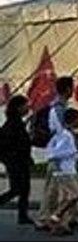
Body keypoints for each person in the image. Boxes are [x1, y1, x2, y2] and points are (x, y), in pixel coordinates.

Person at [35, 75, 74, 231]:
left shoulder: (59, 106)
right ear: (68, 89)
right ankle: (47, 219)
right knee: (55, 189)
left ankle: (66, 218)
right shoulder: (58, 108)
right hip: (59, 154)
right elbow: (59, 131)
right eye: (72, 87)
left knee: (57, 188)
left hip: (60, 154)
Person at [45, 108, 78, 236]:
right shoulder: (65, 135)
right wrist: (75, 150)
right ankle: (55, 217)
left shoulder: (67, 134)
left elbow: (70, 153)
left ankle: (61, 224)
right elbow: (54, 153)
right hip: (64, 172)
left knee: (68, 197)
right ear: (73, 120)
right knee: (74, 196)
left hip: (69, 170)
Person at [0, 95, 34, 225]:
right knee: (18, 189)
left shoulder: (16, 122)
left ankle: (23, 216)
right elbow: (16, 143)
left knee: (23, 189)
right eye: (25, 105)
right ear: (18, 107)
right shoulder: (13, 124)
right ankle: (22, 215)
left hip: (19, 161)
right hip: (17, 162)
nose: (27, 108)